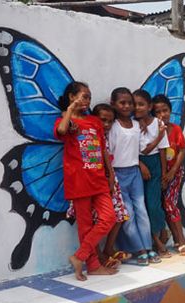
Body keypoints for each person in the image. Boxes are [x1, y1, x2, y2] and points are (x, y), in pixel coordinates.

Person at [54, 82, 118, 281]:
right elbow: (63, 131)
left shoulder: (94, 122)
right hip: (78, 180)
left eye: (89, 97)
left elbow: (103, 149)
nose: (87, 101)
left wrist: (111, 174)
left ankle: (79, 256)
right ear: (72, 97)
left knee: (109, 218)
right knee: (85, 226)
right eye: (83, 96)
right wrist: (70, 110)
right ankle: (92, 266)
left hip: (98, 179)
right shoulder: (66, 121)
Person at [108, 87, 157, 266]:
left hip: (134, 173)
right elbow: (110, 153)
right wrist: (111, 176)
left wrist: (139, 163)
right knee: (127, 214)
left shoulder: (137, 125)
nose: (127, 106)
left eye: (130, 102)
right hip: (119, 175)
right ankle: (139, 249)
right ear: (113, 104)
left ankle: (148, 246)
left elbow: (137, 150)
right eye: (122, 102)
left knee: (141, 211)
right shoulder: (113, 127)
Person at [92, 103, 132, 264]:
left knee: (120, 214)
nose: (107, 125)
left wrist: (111, 176)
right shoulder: (92, 137)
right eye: (103, 120)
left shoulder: (106, 136)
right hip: (95, 183)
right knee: (96, 220)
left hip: (110, 180)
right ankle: (96, 254)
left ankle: (108, 248)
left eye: (110, 121)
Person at [133, 89, 171, 259]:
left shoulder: (157, 123)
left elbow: (162, 150)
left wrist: (163, 173)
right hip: (138, 165)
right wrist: (141, 165)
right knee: (143, 206)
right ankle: (156, 239)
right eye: (135, 105)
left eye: (141, 104)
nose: (137, 108)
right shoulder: (133, 125)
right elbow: (134, 150)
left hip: (155, 165)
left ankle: (160, 232)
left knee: (154, 204)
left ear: (149, 106)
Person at [153, 94, 185, 256]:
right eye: (158, 112)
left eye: (165, 110)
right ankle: (167, 236)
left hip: (174, 174)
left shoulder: (175, 129)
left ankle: (181, 239)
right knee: (160, 206)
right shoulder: (152, 130)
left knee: (169, 204)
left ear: (170, 110)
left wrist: (173, 171)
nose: (163, 114)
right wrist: (163, 175)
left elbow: (182, 150)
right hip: (158, 174)